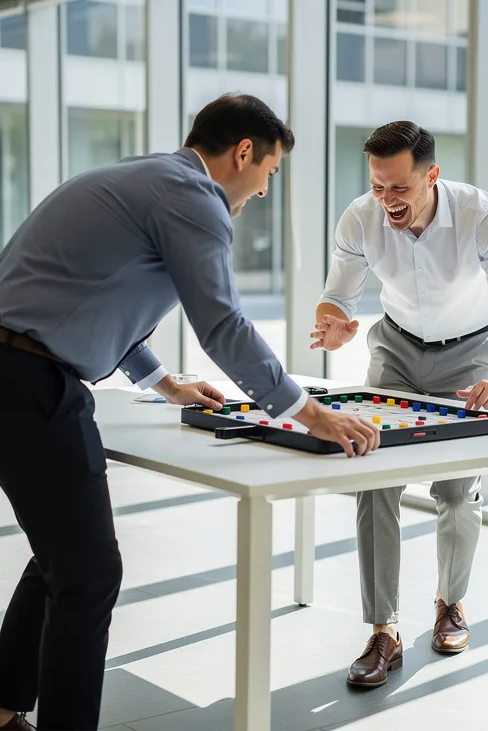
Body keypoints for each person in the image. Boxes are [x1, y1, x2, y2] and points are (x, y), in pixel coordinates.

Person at [0, 94, 381, 731]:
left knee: (63, 558)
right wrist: (310, 414)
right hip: (30, 381)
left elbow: (94, 294)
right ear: (242, 153)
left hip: (16, 368)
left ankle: (3, 706)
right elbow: (222, 323)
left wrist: (163, 382)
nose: (263, 190)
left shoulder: (143, 176)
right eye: (269, 173)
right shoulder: (194, 197)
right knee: (90, 575)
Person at [308, 122, 488, 688]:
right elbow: (336, 297)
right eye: (378, 186)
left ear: (431, 175)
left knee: (458, 490)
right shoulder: (360, 216)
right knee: (374, 479)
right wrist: (331, 327)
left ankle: (449, 603)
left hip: (470, 354)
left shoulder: (480, 214)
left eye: (399, 189)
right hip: (395, 350)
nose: (386, 200)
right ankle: (383, 631)